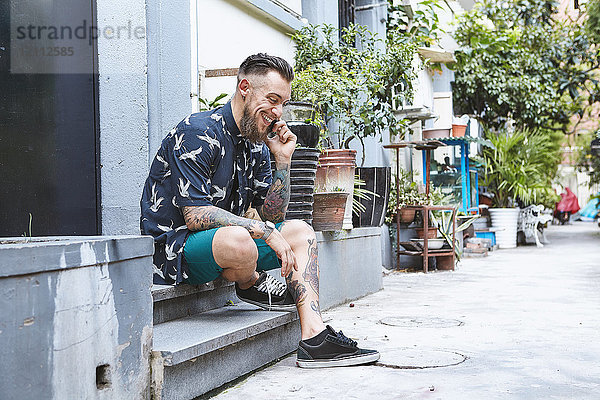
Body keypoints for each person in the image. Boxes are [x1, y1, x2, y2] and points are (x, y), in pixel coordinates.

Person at [140, 53, 379, 368]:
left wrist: (282, 161)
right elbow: (195, 216)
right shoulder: (197, 132)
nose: (278, 113)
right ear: (244, 87)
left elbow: (273, 218)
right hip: (176, 250)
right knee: (239, 240)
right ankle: (250, 282)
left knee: (300, 232)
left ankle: (314, 336)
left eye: (283, 103)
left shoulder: (257, 143)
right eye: (272, 99)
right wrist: (264, 232)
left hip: (227, 246)